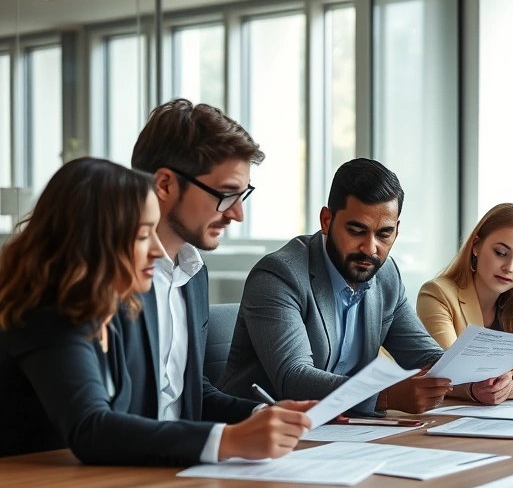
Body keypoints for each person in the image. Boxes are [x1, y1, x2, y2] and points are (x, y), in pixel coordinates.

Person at [0, 158, 312, 464]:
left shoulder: (104, 308)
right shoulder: (47, 311)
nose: (156, 250)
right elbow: (90, 427)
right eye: (141, 235)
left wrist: (259, 417)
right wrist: (228, 440)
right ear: (92, 241)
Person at [218, 158, 449, 414]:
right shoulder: (279, 275)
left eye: (384, 234)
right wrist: (383, 396)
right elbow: (293, 378)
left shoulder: (386, 275)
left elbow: (426, 358)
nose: (371, 248)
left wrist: (478, 381)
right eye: (357, 231)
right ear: (327, 220)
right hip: (259, 432)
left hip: (345, 432)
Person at [123, 98, 277, 435]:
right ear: (164, 185)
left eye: (242, 195)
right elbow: (103, 418)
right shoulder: (111, 274)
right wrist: (224, 441)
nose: (237, 214)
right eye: (225, 194)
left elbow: (187, 394)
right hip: (120, 471)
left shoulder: (193, 273)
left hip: (179, 468)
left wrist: (266, 413)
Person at [417, 203, 513, 404]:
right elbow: (446, 370)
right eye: (500, 253)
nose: (509, 268)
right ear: (476, 246)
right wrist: (475, 390)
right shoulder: (437, 294)